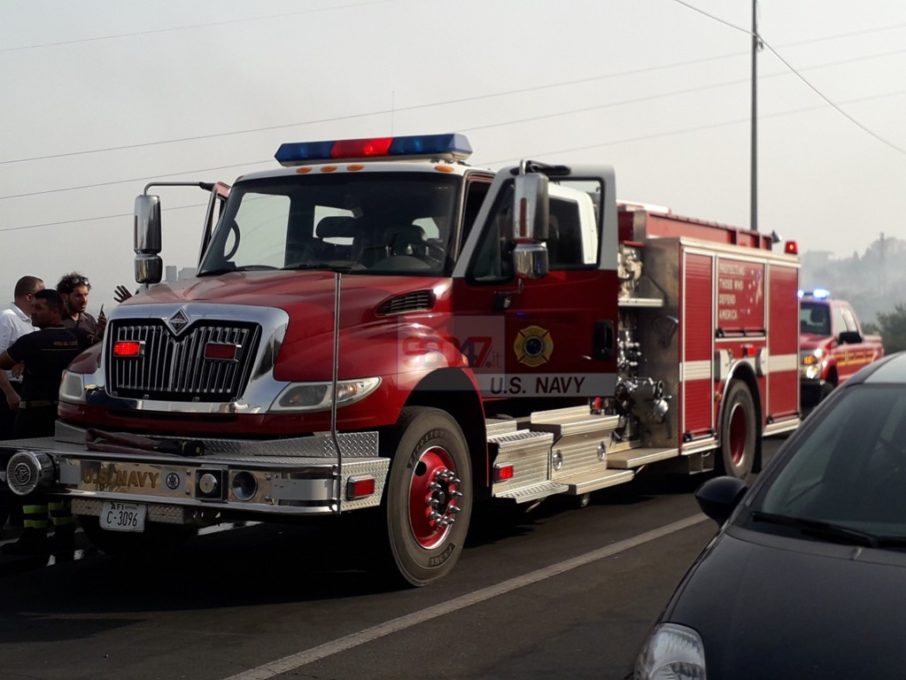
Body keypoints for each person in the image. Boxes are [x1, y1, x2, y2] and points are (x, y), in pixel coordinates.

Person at [0, 289, 90, 561]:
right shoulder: (81, 339)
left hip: (33, 417)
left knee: (31, 476)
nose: (33, 312)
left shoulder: (31, 341)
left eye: (39, 308)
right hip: (65, 418)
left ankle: (34, 535)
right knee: (61, 475)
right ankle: (63, 532)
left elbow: (1, 363)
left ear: (55, 310)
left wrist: (11, 390)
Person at [0, 276, 43, 440]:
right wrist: (9, 392)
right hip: (9, 390)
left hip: (26, 390)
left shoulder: (32, 322)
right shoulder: (8, 319)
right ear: (29, 297)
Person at [57, 271, 105, 344]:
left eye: (86, 295)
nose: (84, 300)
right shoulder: (57, 321)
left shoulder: (89, 320)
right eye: (78, 296)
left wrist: (101, 333)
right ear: (65, 297)